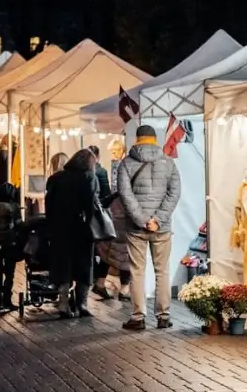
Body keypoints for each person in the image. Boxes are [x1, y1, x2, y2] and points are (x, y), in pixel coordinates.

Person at [118, 125, 181, 330]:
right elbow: (174, 194)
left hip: (136, 228)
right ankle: (163, 316)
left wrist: (143, 219)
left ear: (137, 139)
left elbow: (125, 196)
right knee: (162, 271)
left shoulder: (126, 164)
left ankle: (138, 317)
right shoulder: (169, 163)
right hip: (161, 229)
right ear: (155, 140)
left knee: (137, 271)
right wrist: (157, 220)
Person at [45, 149, 100, 318]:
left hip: (60, 230)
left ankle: (63, 304)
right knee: (84, 266)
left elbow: (49, 206)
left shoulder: (55, 179)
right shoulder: (89, 178)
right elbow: (92, 204)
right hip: (82, 229)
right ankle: (82, 304)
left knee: (64, 266)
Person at [93, 140, 131, 301]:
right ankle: (124, 290)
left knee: (111, 253)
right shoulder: (122, 167)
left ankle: (102, 284)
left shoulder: (119, 166)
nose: (113, 154)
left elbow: (111, 192)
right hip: (122, 217)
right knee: (124, 254)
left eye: (116, 151)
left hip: (114, 215)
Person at [0, 183, 22, 311]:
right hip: (9, 244)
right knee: (9, 272)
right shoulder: (13, 207)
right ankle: (7, 299)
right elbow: (19, 225)